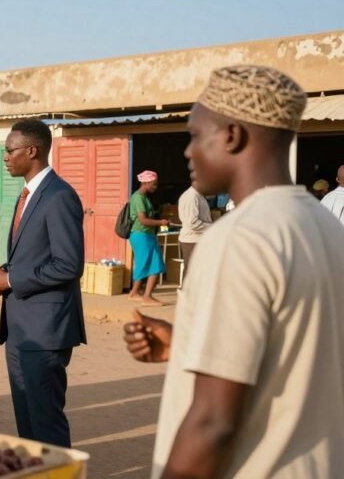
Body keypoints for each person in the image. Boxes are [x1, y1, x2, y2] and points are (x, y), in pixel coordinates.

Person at [124, 65, 344, 478]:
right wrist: (186, 345)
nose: (187, 152)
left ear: (232, 135)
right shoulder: (327, 228)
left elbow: (213, 422)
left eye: (193, 136)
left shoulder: (238, 238)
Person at [0, 118, 86, 448]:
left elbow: (68, 265)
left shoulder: (59, 196)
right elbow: (36, 254)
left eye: (10, 151)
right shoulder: (27, 194)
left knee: (46, 424)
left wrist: (11, 279)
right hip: (20, 329)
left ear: (32, 150)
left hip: (45, 331)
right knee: (27, 423)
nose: (5, 157)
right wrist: (4, 271)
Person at [127, 171, 169, 306]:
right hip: (142, 235)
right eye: (153, 184)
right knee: (155, 265)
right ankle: (147, 297)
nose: (155, 187)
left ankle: (134, 293)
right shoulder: (138, 198)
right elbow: (143, 220)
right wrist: (160, 222)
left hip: (146, 235)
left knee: (145, 263)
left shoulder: (143, 197)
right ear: (145, 183)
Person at [176, 182, 212, 273]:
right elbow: (193, 223)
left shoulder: (199, 196)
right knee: (192, 272)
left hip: (199, 239)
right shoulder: (191, 197)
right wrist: (212, 227)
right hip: (192, 240)